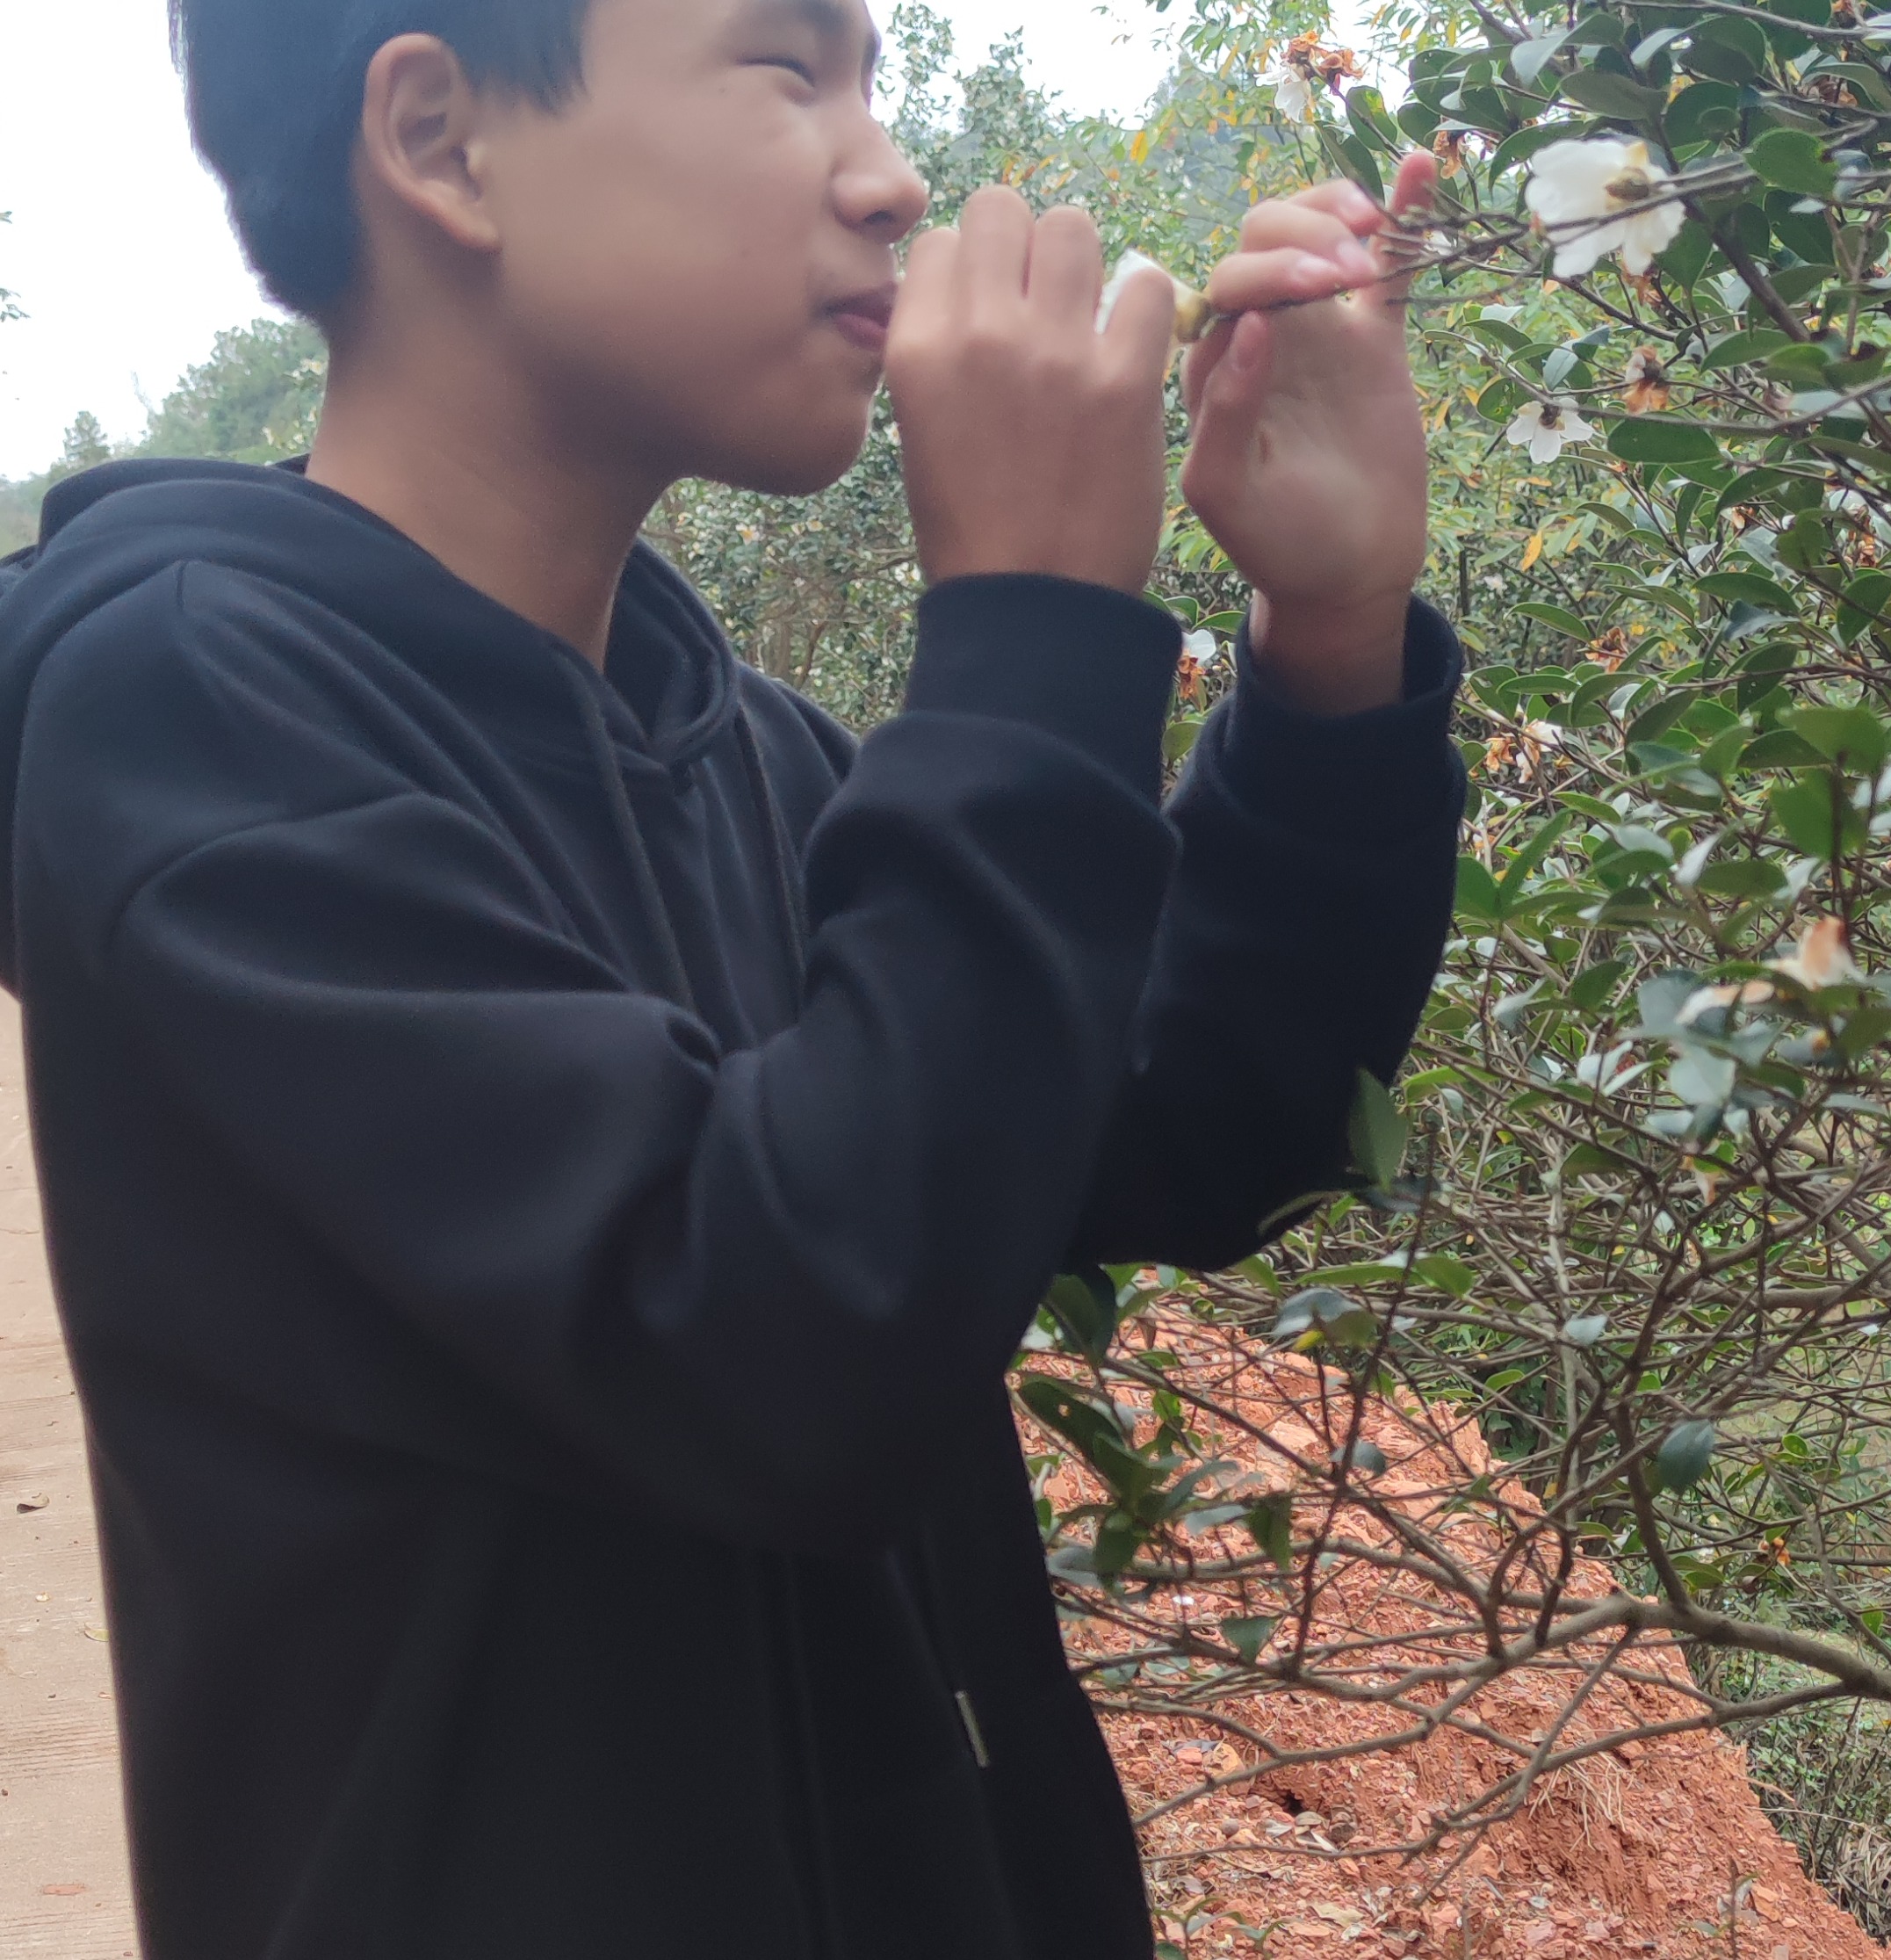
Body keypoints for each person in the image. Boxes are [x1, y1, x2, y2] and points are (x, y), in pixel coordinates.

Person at [0, 2, 1463, 1955]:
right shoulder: (196, 717)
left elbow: (1197, 1121)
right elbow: (788, 1344)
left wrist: (1333, 641)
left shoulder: (735, 741)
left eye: (875, 81)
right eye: (787, 70)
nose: (894, 175)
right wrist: (1031, 626)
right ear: (440, 141)